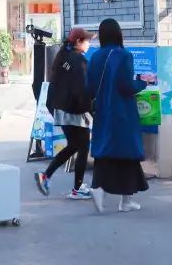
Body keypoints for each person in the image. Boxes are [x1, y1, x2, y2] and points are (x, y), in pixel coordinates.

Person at [87, 18, 150, 214]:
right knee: (128, 155)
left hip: (102, 113)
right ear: (118, 33)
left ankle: (98, 188)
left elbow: (89, 86)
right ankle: (125, 201)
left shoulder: (95, 56)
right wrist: (143, 83)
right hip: (122, 113)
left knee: (105, 153)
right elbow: (126, 86)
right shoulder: (124, 55)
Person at [35, 27, 94, 200]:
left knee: (74, 145)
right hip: (75, 110)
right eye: (87, 41)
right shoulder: (78, 61)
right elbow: (81, 90)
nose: (89, 44)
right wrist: (90, 110)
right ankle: (77, 188)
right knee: (82, 146)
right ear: (78, 41)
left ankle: (46, 176)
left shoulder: (63, 56)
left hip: (60, 109)